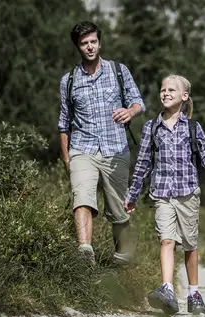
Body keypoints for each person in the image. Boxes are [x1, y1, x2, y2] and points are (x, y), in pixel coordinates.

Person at [124, 74, 205, 316]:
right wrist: (132, 195)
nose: (165, 93)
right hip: (161, 193)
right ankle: (168, 290)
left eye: (172, 90)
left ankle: (194, 293)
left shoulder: (192, 127)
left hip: (187, 194)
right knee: (167, 240)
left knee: (190, 246)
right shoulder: (152, 127)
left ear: (184, 97)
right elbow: (142, 164)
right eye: (163, 89)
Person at [58, 21, 145, 266]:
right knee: (82, 197)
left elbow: (138, 102)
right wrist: (67, 158)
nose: (89, 47)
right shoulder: (69, 80)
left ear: (99, 42)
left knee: (119, 211)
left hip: (115, 149)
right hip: (82, 149)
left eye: (93, 41)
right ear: (78, 46)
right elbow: (64, 123)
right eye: (84, 43)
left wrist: (131, 112)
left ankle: (123, 259)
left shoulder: (119, 70)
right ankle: (85, 252)